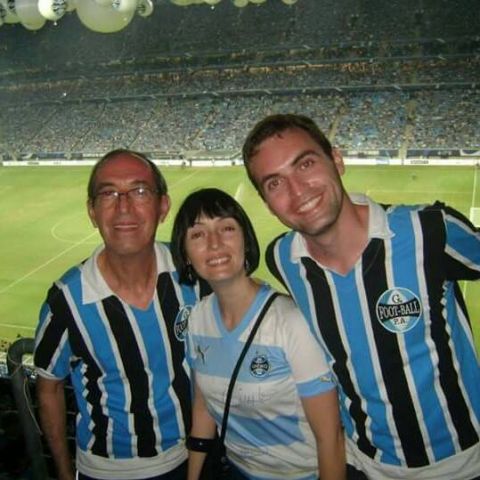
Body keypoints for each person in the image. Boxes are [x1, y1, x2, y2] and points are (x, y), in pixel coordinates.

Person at [241, 113, 480, 480]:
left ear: (336, 160)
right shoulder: (283, 258)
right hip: (363, 464)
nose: (297, 190)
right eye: (274, 183)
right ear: (266, 202)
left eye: (305, 164)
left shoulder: (429, 231)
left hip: (463, 464)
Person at [34, 150, 208, 480]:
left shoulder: (193, 275)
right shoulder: (65, 301)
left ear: (163, 206)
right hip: (107, 471)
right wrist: (64, 473)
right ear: (92, 211)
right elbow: (48, 390)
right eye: (108, 193)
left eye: (139, 191)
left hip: (195, 457)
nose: (123, 206)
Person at [170, 188, 346, 480]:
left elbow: (331, 440)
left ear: (246, 241)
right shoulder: (197, 319)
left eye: (227, 228)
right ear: (186, 255)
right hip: (236, 471)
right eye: (198, 234)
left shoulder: (290, 321)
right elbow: (204, 406)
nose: (214, 243)